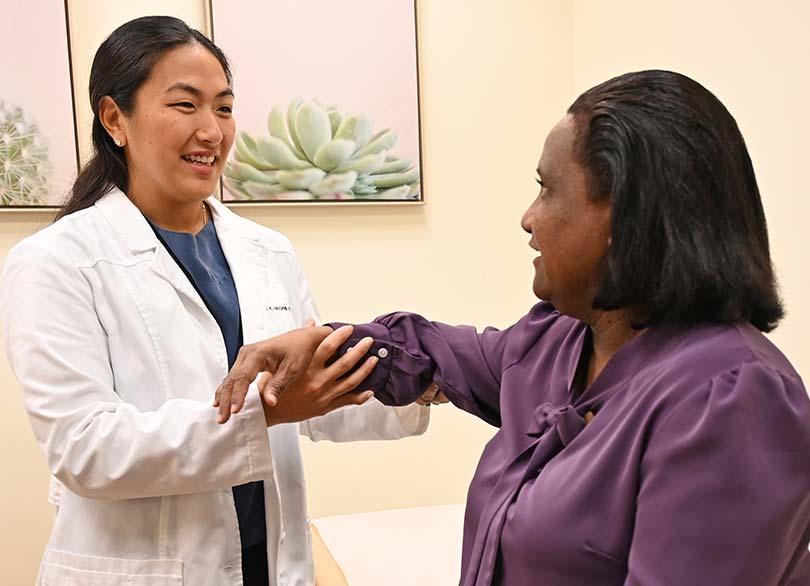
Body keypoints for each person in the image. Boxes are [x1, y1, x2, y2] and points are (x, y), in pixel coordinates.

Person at [218, 70, 810, 585]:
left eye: (547, 189)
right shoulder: (559, 342)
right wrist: (322, 343)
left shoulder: (729, 398)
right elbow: (428, 350)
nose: (528, 220)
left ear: (626, 214)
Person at [0, 16, 429, 586]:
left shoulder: (266, 251)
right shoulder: (55, 261)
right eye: (186, 106)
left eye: (224, 108)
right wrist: (267, 412)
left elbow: (317, 392)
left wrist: (427, 372)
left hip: (268, 563)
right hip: (143, 570)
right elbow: (85, 450)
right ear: (114, 119)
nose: (212, 131)